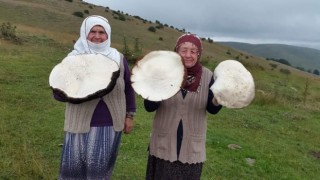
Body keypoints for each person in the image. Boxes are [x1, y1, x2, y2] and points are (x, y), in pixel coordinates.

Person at [52, 15, 136, 179]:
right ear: (85, 33)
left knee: (99, 173)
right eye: (93, 31)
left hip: (109, 124)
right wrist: (66, 91)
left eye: (101, 32)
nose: (97, 36)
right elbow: (59, 93)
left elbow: (128, 87)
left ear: (108, 35)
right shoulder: (73, 59)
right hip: (79, 122)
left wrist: (130, 115)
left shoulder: (118, 58)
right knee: (73, 171)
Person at [144, 33, 222, 180]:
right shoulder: (164, 72)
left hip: (191, 148)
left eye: (193, 52)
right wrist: (156, 86)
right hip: (163, 144)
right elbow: (149, 107)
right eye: (183, 50)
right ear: (176, 51)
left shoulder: (208, 77)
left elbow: (213, 109)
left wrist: (222, 96)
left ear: (199, 54)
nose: (188, 55)